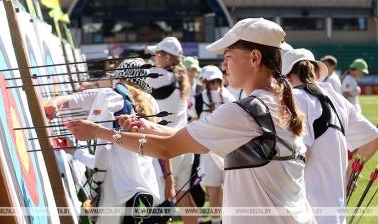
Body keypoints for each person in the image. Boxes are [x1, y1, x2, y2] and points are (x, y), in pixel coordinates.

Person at [66, 18, 316, 223]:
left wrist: (99, 132)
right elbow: (191, 139)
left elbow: (168, 148)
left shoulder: (244, 112)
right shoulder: (275, 103)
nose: (223, 65)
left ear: (254, 58)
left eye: (228, 56)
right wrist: (148, 126)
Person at [45, 59, 174, 224]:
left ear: (119, 78)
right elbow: (118, 159)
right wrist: (76, 152)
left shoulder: (110, 96)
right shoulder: (150, 104)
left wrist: (95, 190)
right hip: (145, 195)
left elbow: (104, 154)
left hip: (115, 199)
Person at [282, 48, 378, 224]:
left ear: (287, 77)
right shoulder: (338, 99)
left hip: (306, 212)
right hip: (335, 212)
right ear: (316, 73)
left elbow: (302, 154)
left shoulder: (295, 98)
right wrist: (350, 171)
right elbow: (373, 138)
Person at [146, 36, 197, 223]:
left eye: (157, 55)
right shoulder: (180, 76)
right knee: (184, 200)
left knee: (161, 204)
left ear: (167, 58)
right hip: (185, 147)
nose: (154, 59)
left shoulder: (162, 76)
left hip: (169, 149)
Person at [198, 65, 235, 224]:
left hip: (208, 150)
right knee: (230, 191)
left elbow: (193, 121)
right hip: (230, 150)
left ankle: (215, 221)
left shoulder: (198, 98)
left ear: (204, 81)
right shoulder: (231, 98)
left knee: (213, 190)